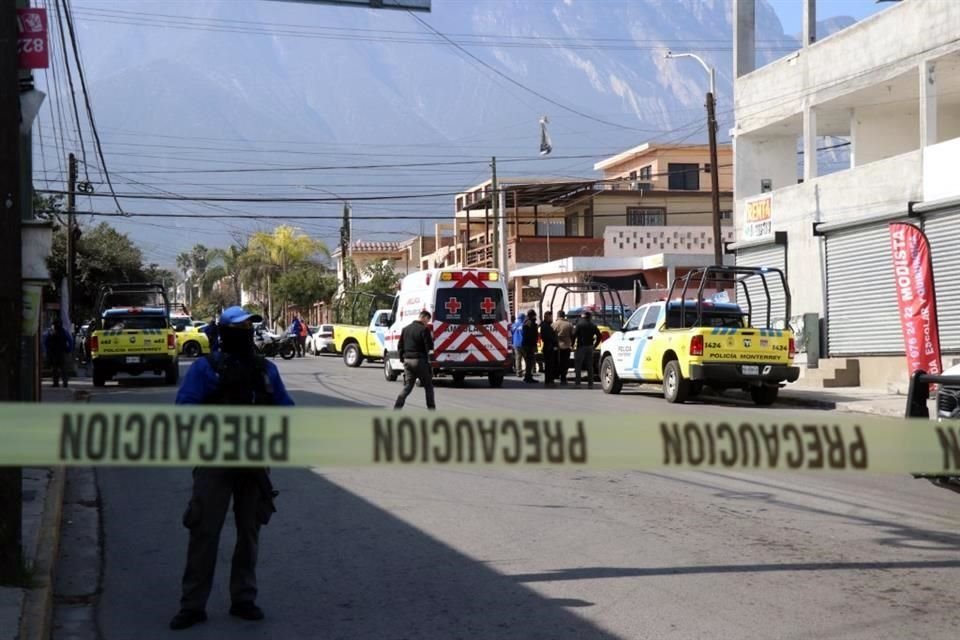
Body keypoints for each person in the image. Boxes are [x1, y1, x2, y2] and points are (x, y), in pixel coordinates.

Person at [170, 306, 295, 631]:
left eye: (249, 328)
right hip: (214, 461)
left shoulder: (266, 370)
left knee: (249, 532)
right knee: (204, 531)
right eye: (238, 329)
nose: (245, 334)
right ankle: (193, 605)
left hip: (253, 463)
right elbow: (185, 408)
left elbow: (286, 410)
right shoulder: (205, 369)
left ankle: (244, 598)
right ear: (224, 332)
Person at [394, 310, 436, 410]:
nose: (427, 322)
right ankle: (431, 410)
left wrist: (402, 359)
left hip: (407, 361)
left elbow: (400, 346)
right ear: (424, 318)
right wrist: (431, 361)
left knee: (408, 386)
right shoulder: (424, 330)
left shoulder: (406, 329)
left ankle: (397, 407)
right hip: (420, 361)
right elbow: (429, 348)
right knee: (428, 386)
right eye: (427, 320)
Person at [572, 310, 602, 389]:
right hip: (590, 347)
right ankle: (590, 384)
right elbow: (599, 336)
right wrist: (595, 346)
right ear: (590, 317)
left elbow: (574, 335)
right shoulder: (593, 325)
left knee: (578, 366)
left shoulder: (579, 325)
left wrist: (572, 345)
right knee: (590, 366)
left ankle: (578, 383)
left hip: (581, 347)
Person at [43, 320, 72, 387]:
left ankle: (56, 383)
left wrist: (47, 351)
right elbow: (70, 341)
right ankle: (64, 383)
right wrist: (69, 350)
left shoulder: (51, 332)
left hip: (55, 353)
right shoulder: (64, 332)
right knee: (63, 368)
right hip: (62, 352)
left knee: (55, 369)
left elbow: (46, 342)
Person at [553, 310, 574, 385]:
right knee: (565, 362)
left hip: (556, 346)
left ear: (558, 316)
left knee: (556, 361)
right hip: (566, 346)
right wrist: (572, 344)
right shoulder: (569, 324)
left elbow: (551, 335)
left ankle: (556, 375)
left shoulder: (554, 324)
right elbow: (572, 335)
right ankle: (563, 377)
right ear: (564, 316)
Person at [540, 311, 559, 387]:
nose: (552, 318)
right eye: (550, 317)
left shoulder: (547, 325)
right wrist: (555, 341)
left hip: (548, 347)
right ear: (547, 317)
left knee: (549, 365)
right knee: (549, 365)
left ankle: (549, 380)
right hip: (549, 347)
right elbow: (549, 337)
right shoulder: (545, 326)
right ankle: (549, 381)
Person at [521, 309, 539, 384]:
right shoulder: (530, 323)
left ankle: (528, 376)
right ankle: (528, 377)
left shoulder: (526, 322)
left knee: (529, 362)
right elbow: (531, 335)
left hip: (526, 345)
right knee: (529, 362)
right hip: (529, 345)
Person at [511, 312, 525, 378]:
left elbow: (511, 334)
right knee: (526, 358)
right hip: (523, 343)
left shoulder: (513, 325)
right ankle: (528, 372)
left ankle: (518, 372)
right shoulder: (524, 325)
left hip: (515, 344)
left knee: (517, 359)